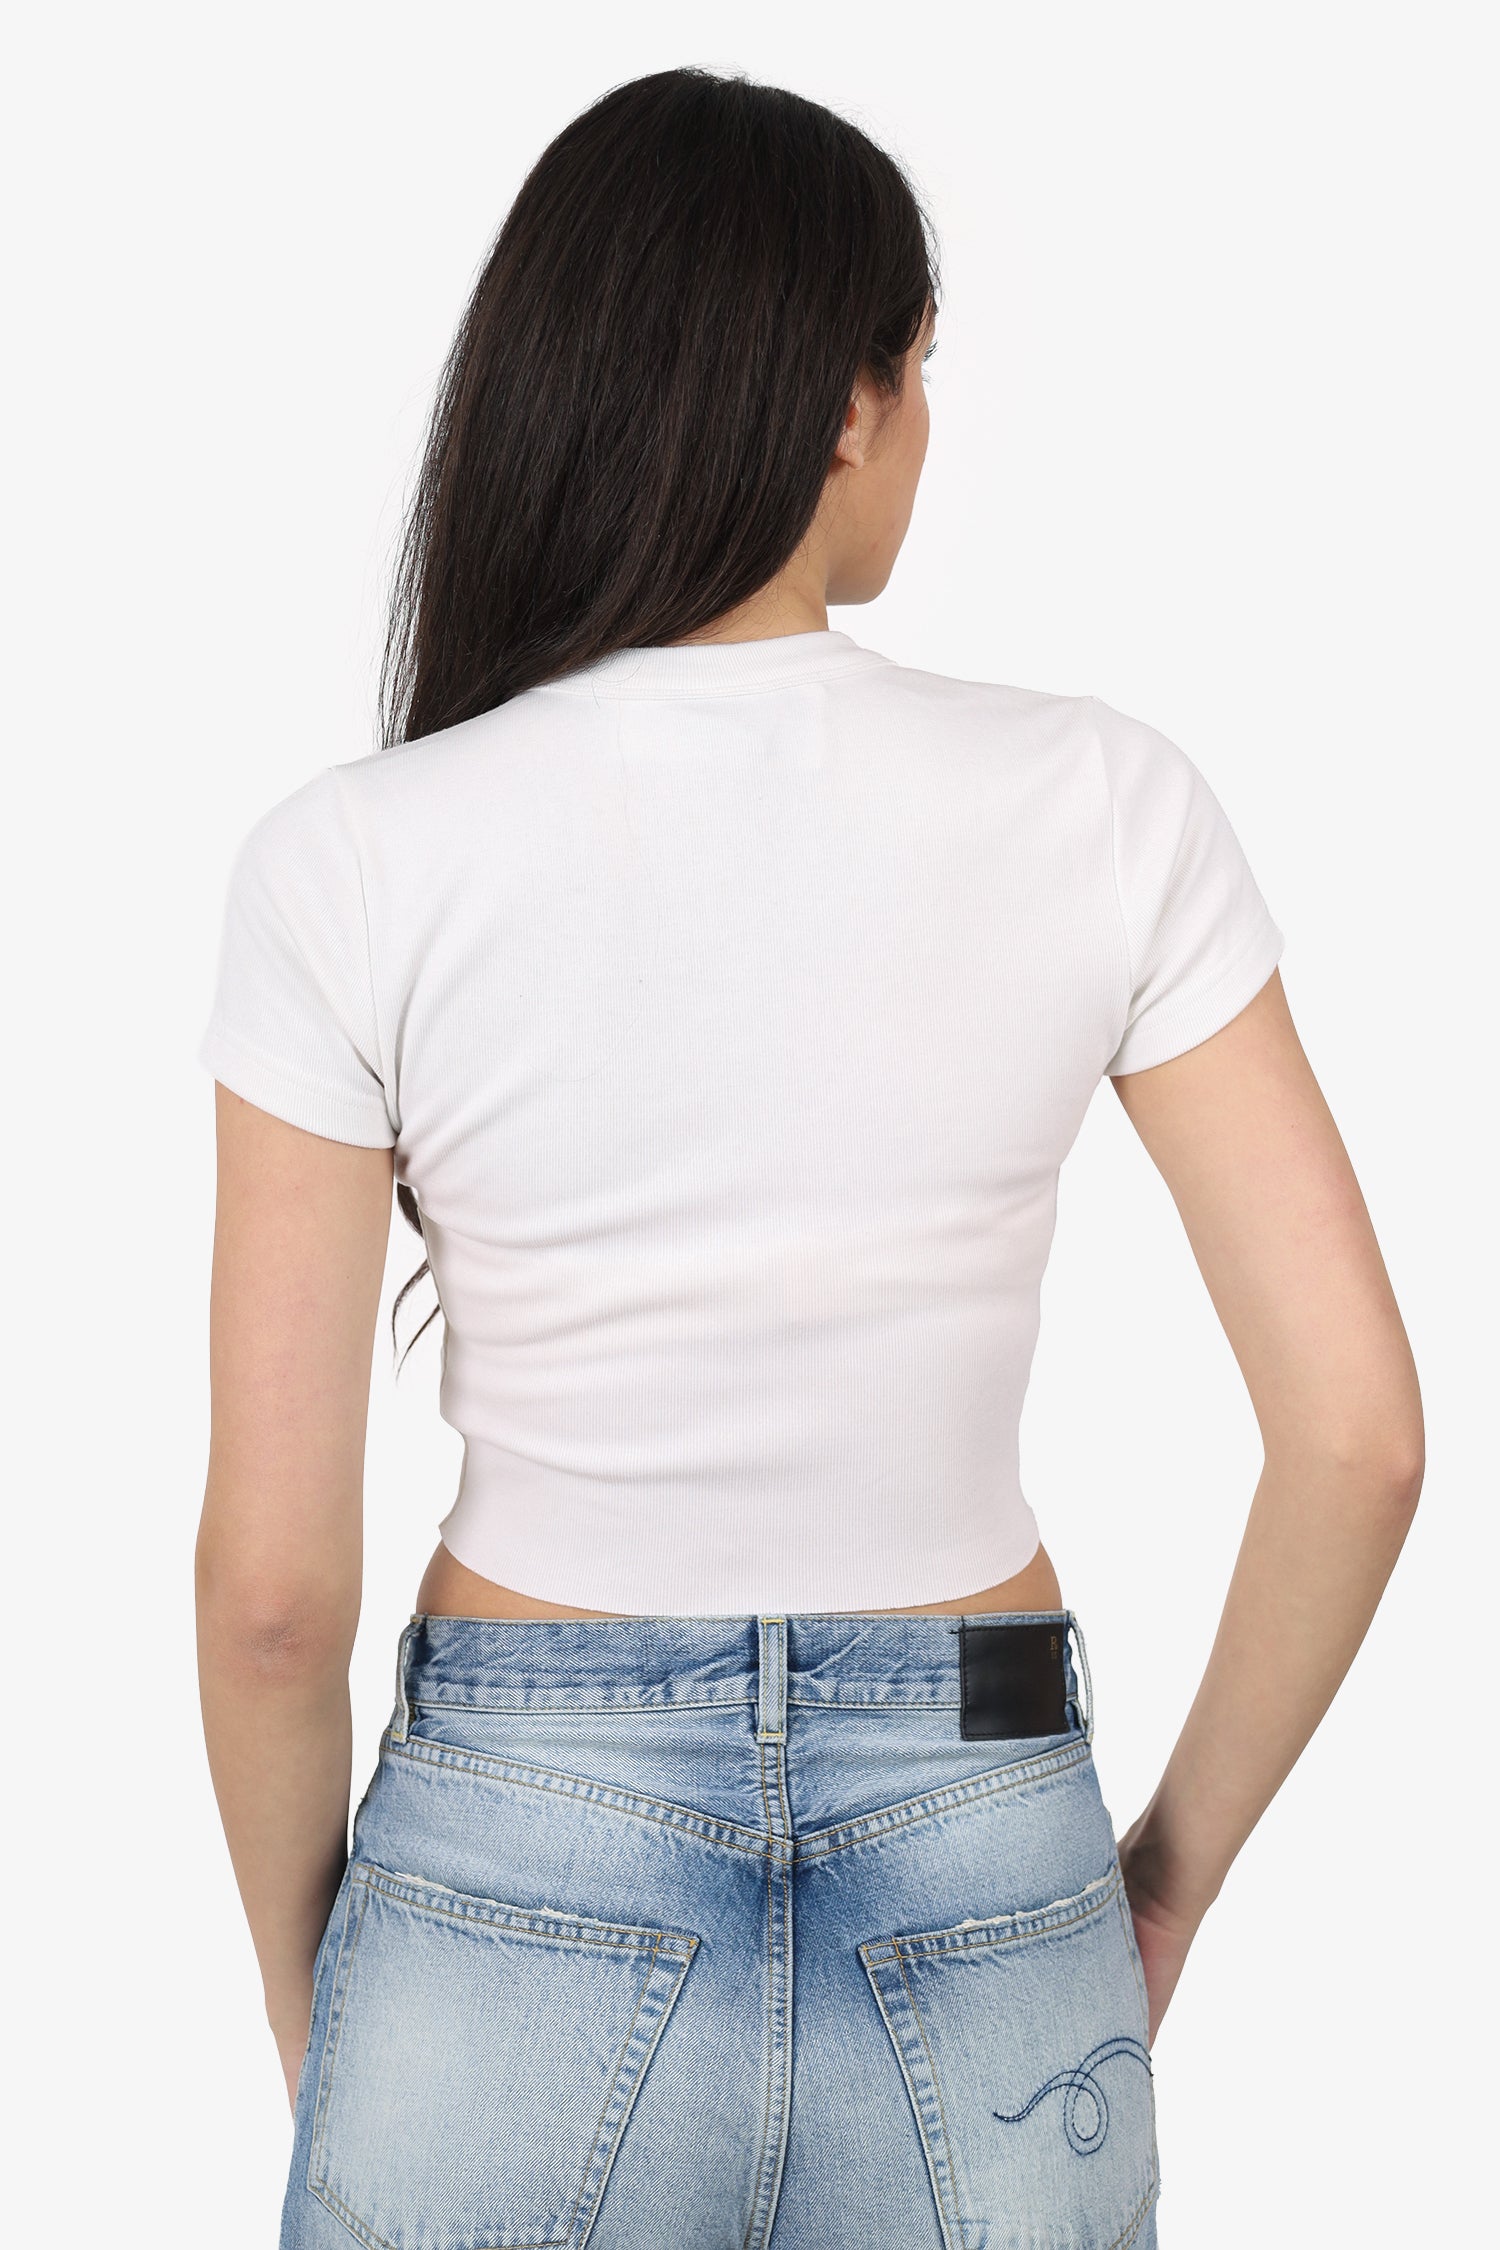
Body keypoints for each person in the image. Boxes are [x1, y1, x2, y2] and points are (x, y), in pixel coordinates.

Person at [194, 67, 1423, 2250]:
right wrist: (1154, 1887)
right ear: (847, 405)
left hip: (512, 1842)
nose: (926, 427)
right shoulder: (1107, 803)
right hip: (985, 1815)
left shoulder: (353, 861)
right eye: (921, 369)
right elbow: (1359, 1438)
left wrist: (342, 2007)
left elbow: (274, 1597)